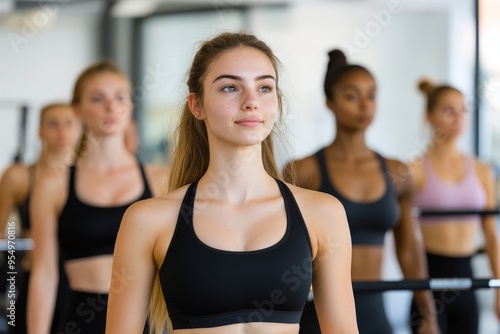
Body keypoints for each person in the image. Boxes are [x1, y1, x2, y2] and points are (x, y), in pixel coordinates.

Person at [105, 32, 358, 334]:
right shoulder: (148, 220)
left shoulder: (323, 213)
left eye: (264, 87)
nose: (251, 102)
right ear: (196, 105)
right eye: (230, 88)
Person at [289, 50, 439, 334]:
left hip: (375, 315)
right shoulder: (304, 171)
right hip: (318, 315)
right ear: (330, 103)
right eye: (351, 96)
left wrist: (428, 313)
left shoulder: (399, 173)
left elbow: (408, 248)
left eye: (371, 95)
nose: (364, 106)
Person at [27, 60, 168, 333]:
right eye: (97, 99)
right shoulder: (53, 184)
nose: (111, 107)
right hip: (81, 319)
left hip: (146, 320)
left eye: (119, 97)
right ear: (77, 110)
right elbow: (44, 274)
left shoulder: (160, 179)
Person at [409, 79, 500, 334]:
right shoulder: (414, 171)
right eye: (449, 110)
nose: (458, 118)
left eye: (463, 110)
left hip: (468, 282)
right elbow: (405, 239)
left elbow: (492, 235)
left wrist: (499, 288)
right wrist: (425, 307)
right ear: (429, 116)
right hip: (428, 281)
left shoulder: (482, 170)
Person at [0, 103, 81, 333]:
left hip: (75, 283)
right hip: (33, 275)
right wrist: (20, 246)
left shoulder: (91, 181)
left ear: (79, 129)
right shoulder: (19, 176)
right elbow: (2, 233)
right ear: (40, 131)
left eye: (69, 123)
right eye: (53, 124)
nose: (62, 131)